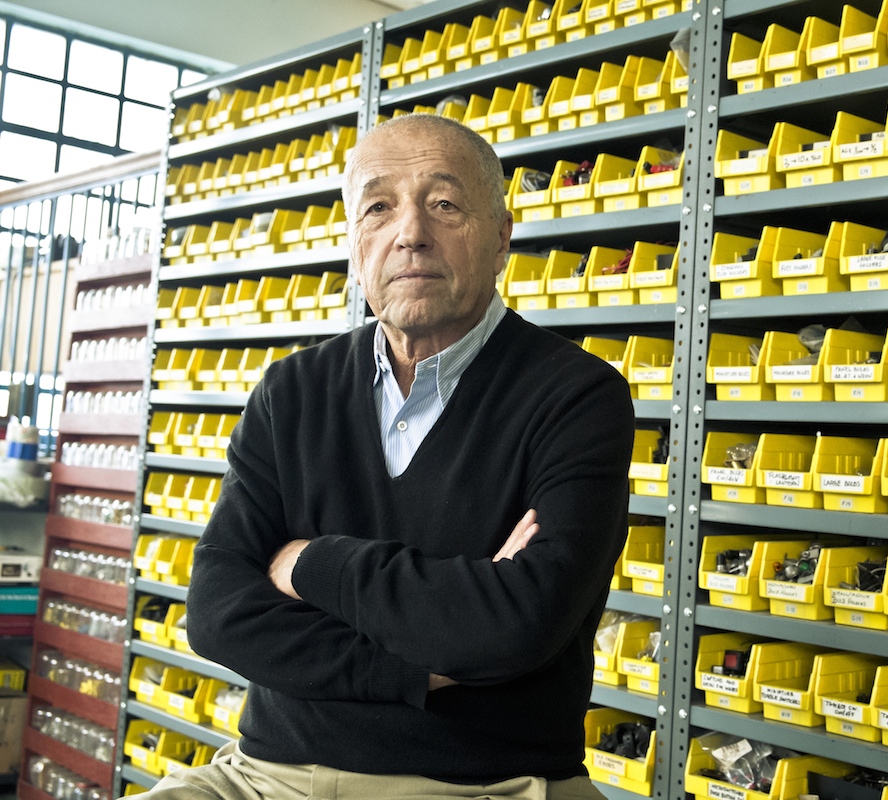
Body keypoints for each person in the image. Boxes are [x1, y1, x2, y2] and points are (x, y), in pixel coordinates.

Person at [146, 113, 636, 799]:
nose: (410, 233)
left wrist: (310, 564)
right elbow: (218, 611)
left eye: (445, 204)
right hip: (263, 777)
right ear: (354, 242)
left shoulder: (578, 397)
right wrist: (424, 666)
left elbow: (517, 626)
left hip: (481, 785)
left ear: (501, 237)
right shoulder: (292, 391)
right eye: (378, 208)